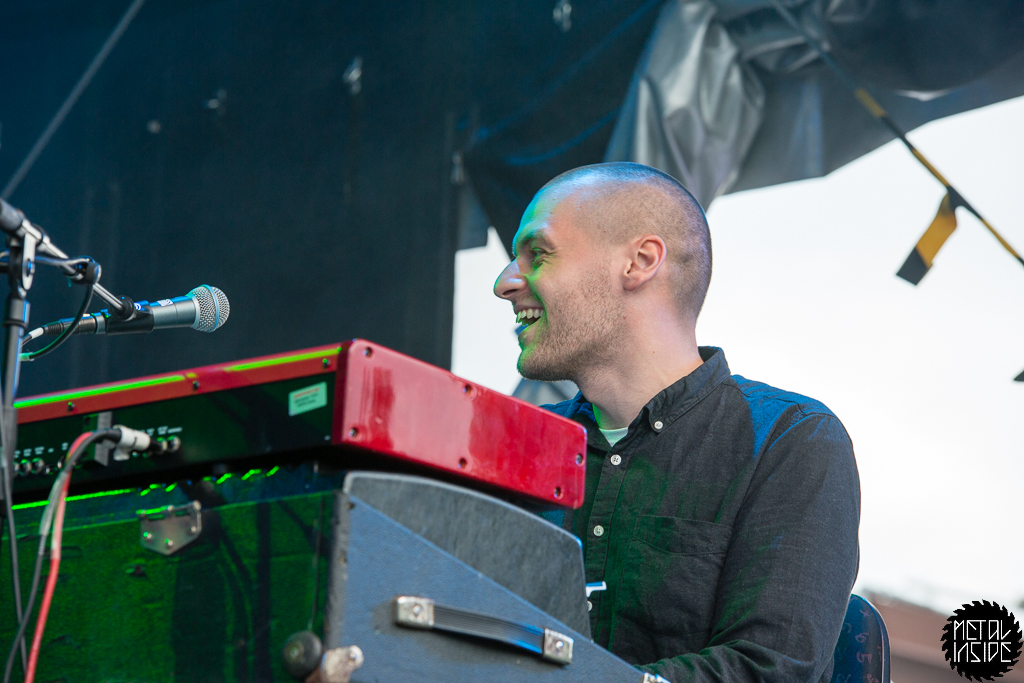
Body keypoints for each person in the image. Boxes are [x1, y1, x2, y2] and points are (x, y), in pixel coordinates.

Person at [493, 162, 860, 682]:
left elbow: (768, 672)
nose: (505, 282)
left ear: (640, 262)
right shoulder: (514, 443)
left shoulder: (789, 441)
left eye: (539, 253)